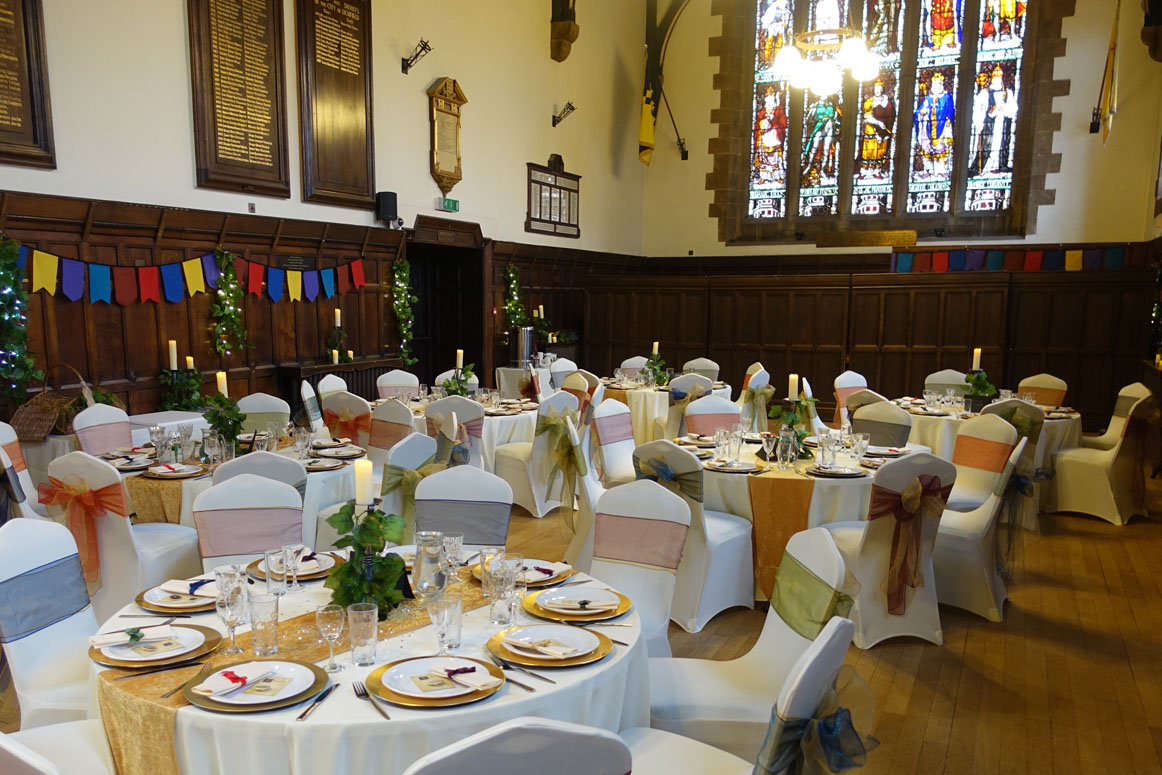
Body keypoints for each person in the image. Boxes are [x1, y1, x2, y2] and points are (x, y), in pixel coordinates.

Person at [969, 64, 1017, 175]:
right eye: (995, 76)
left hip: (1002, 124)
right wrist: (980, 121)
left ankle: (1000, 166)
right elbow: (977, 109)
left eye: (1000, 76)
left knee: (1000, 144)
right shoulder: (984, 93)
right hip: (988, 125)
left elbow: (1013, 108)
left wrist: (1001, 108)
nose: (997, 79)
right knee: (987, 145)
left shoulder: (1007, 93)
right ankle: (982, 168)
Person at [914, 72, 955, 179]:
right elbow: (918, 112)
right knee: (926, 148)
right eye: (935, 84)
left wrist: (949, 119)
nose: (937, 86)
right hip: (927, 127)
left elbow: (951, 110)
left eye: (939, 84)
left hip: (942, 126)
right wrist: (922, 112)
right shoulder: (927, 98)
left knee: (941, 148)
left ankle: (941, 170)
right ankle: (928, 169)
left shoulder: (947, 97)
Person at [859, 79, 896, 178]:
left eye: (879, 88)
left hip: (884, 130)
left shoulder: (886, 101)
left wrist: (887, 126)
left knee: (881, 151)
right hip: (871, 130)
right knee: (869, 151)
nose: (877, 91)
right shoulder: (869, 101)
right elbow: (866, 116)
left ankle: (876, 170)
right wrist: (877, 123)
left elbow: (892, 115)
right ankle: (865, 170)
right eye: (876, 89)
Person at [802, 95, 840, 186]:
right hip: (818, 127)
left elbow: (836, 118)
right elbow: (807, 120)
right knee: (814, 146)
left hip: (830, 128)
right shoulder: (815, 106)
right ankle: (809, 166)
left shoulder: (831, 105)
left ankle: (822, 170)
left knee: (826, 150)